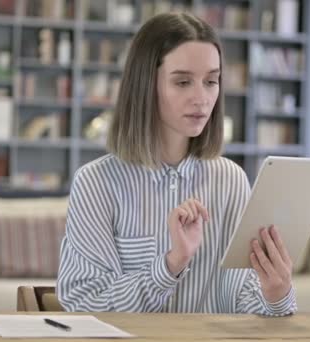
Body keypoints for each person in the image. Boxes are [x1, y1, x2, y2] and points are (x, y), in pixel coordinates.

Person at [57, 12, 297, 315]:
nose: (201, 98)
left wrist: (275, 294)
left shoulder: (230, 180)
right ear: (146, 85)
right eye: (183, 82)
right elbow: (85, 304)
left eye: (211, 81)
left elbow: (239, 300)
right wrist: (170, 265)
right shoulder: (96, 183)